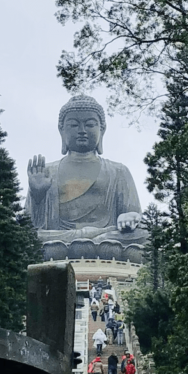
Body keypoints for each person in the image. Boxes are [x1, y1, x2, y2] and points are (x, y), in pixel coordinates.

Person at [25, 95, 147, 262]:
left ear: (102, 130)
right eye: (74, 125)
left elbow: (134, 216)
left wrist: (129, 217)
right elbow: (29, 228)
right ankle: (88, 244)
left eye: (89, 124)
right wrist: (37, 196)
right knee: (30, 240)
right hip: (58, 239)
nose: (82, 130)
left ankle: (91, 243)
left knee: (145, 235)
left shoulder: (118, 171)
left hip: (106, 237)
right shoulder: (47, 171)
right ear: (61, 130)